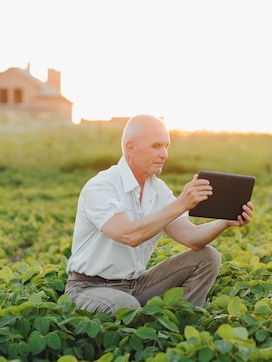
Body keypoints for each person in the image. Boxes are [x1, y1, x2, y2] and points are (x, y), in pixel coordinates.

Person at [65, 114, 254, 315]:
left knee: (208, 257)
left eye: (167, 146)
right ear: (131, 148)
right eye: (156, 146)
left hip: (135, 285)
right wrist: (181, 203)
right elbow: (128, 235)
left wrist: (224, 222)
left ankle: (183, 324)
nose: (164, 154)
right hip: (88, 288)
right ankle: (144, 323)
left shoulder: (158, 190)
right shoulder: (102, 186)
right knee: (126, 306)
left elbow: (192, 238)